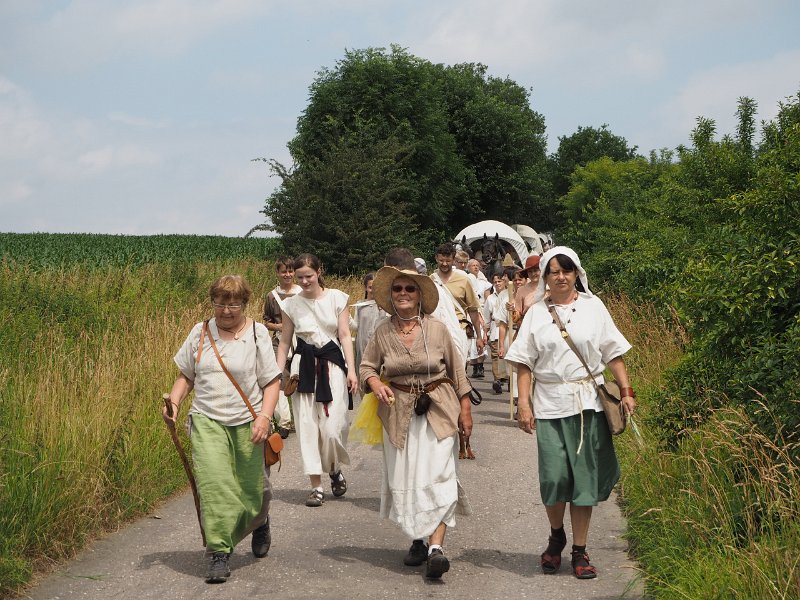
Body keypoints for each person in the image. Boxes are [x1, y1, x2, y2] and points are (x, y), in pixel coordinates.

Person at [504, 246, 636, 580]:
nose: (560, 277)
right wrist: (523, 403)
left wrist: (626, 390)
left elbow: (613, 353)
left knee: (584, 481)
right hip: (549, 404)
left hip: (588, 405)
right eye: (554, 271)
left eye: (567, 270)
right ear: (545, 276)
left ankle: (579, 550)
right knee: (554, 478)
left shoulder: (594, 307)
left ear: (577, 272)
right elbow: (523, 362)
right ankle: (555, 534)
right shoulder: (536, 312)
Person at [163, 275, 282, 584]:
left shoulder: (257, 334)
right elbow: (185, 375)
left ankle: (260, 520)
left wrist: (264, 418)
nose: (226, 310)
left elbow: (271, 382)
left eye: (233, 304)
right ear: (212, 302)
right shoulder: (199, 333)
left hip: (248, 421)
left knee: (252, 489)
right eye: (220, 303)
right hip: (206, 420)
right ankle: (218, 552)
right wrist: (174, 402)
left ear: (245, 303)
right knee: (214, 485)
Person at [360, 265, 473, 579]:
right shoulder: (382, 332)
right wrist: (375, 384)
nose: (403, 294)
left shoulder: (436, 328)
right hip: (398, 412)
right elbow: (366, 367)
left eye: (410, 289)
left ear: (420, 295)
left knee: (441, 474)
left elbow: (457, 371)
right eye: (398, 289)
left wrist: (466, 411)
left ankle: (436, 548)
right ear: (390, 295)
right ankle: (418, 540)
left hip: (439, 408)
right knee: (407, 478)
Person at [275, 254, 359, 507]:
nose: (303, 281)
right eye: (299, 277)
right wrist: (278, 374)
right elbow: (285, 342)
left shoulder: (337, 298)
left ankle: (333, 468)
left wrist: (351, 370)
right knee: (307, 426)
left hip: (333, 365)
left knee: (333, 427)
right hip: (304, 366)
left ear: (319, 271)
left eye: (308, 276)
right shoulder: (290, 304)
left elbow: (344, 335)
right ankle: (316, 486)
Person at [263, 256, 301, 438]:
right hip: (279, 342)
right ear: (277, 273)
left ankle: (303, 419)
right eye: (284, 271)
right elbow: (267, 321)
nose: (287, 274)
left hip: (301, 342)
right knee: (278, 378)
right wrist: (279, 327)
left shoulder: (303, 292)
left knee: (299, 378)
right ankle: (284, 421)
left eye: (290, 271)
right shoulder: (271, 296)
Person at [431, 243, 485, 359]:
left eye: (448, 260)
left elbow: (473, 310)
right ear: (436, 258)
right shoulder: (430, 281)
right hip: (436, 331)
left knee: (458, 371)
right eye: (441, 260)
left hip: (458, 329)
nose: (444, 264)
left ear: (453, 259)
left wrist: (479, 337)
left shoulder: (464, 281)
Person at [482, 272, 507, 394]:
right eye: (495, 282)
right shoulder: (490, 299)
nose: (497, 284)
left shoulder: (510, 295)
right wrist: (484, 334)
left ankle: (509, 380)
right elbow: (486, 317)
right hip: (494, 330)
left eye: (500, 281)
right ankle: (497, 380)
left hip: (508, 331)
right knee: (496, 356)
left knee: (508, 357)